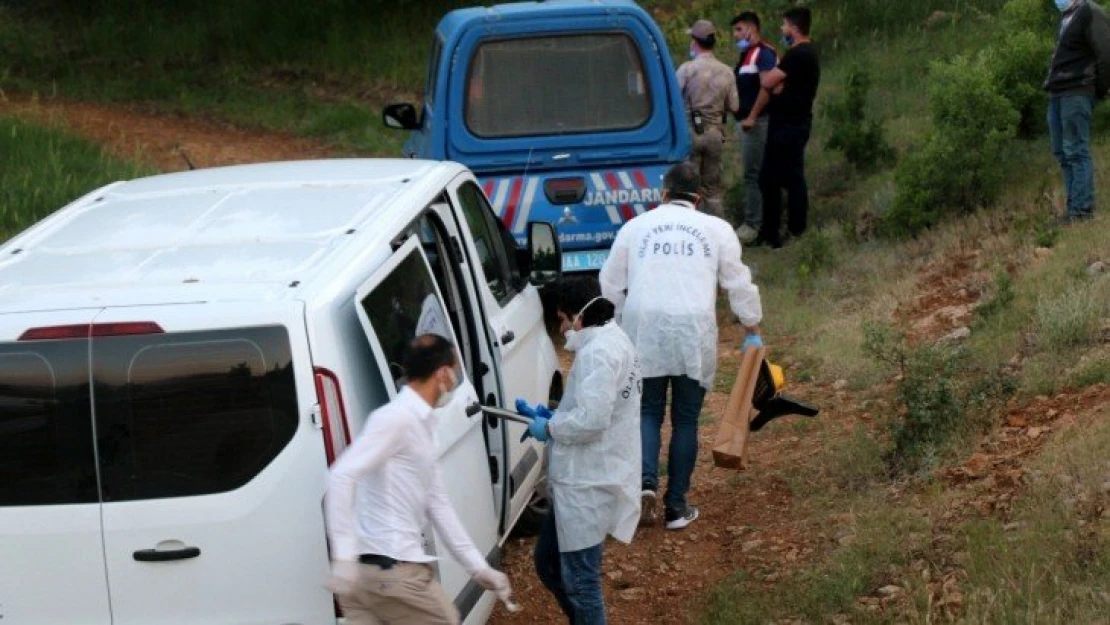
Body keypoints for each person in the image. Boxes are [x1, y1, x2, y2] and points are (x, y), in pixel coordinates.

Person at [599, 162, 763, 531]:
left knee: (647, 412)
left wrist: (621, 320)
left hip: (645, 326)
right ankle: (676, 507)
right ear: (699, 198)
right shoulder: (717, 229)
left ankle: (644, 486)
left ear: (663, 194)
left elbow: (609, 283)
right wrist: (752, 327)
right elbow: (738, 283)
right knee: (686, 419)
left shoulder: (635, 227)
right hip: (694, 326)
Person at [324, 334, 512, 625]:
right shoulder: (397, 419)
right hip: (393, 575)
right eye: (455, 369)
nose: (456, 378)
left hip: (367, 580)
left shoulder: (420, 424)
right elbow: (341, 475)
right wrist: (344, 554)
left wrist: (479, 569)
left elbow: (438, 506)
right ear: (442, 373)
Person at [517, 276, 641, 624]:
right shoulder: (609, 341)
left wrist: (551, 427)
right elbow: (596, 405)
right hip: (584, 478)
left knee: (581, 581)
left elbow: (592, 421)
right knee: (549, 564)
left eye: (561, 319)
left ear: (578, 316)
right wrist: (554, 415)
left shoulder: (599, 353)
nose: (562, 328)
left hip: (589, 484)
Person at [757, 7, 821, 248]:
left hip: (789, 126)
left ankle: (795, 228)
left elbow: (768, 81)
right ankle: (774, 230)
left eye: (784, 25)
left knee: (787, 178)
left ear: (794, 28)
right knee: (773, 178)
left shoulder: (797, 55)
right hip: (792, 123)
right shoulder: (806, 54)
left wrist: (776, 85)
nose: (782, 30)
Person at [1045, 0, 1110, 224]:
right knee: (1061, 152)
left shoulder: (1090, 12)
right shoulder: (1065, 19)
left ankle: (1082, 211)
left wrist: (1098, 88)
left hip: (1077, 89)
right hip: (1058, 91)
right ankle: (1074, 208)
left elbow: (1105, 52)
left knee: (1075, 149)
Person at [676, 19, 741, 219]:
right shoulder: (726, 71)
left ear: (695, 42)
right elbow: (735, 106)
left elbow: (674, 101)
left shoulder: (686, 69)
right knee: (713, 190)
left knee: (688, 188)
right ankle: (717, 230)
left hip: (690, 133)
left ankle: (690, 229)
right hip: (715, 133)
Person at [731, 11, 778, 245]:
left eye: (739, 30)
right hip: (746, 123)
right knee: (751, 173)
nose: (736, 35)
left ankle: (753, 224)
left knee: (753, 174)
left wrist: (752, 116)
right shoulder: (745, 56)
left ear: (752, 28)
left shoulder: (764, 53)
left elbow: (767, 87)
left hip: (757, 124)